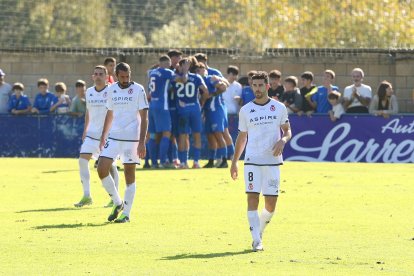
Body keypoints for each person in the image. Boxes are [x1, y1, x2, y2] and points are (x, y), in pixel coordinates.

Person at [230, 71, 291, 252]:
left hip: (272, 161)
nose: (257, 89)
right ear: (251, 87)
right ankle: (256, 240)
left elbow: (287, 131)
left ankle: (260, 230)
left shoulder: (279, 107)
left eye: (260, 85)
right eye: (254, 85)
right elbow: (242, 137)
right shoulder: (246, 110)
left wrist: (283, 140)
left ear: (267, 86)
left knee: (271, 205)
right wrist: (234, 162)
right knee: (252, 198)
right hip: (252, 161)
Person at [97, 62, 149, 223]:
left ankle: (126, 213)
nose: (125, 79)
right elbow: (109, 113)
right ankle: (118, 202)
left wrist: (142, 142)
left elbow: (144, 117)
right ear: (117, 75)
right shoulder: (111, 89)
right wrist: (103, 134)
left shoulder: (139, 90)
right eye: (122, 77)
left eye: (127, 76)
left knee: (129, 175)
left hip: (132, 139)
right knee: (101, 169)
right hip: (113, 137)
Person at [74, 65, 120, 208]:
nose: (98, 76)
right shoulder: (89, 92)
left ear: (106, 76)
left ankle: (115, 198)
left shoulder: (112, 90)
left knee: (111, 166)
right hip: (91, 135)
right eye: (96, 74)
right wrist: (85, 130)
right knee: (82, 161)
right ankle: (87, 196)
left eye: (101, 74)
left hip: (108, 136)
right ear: (92, 76)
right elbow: (88, 112)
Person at [147, 55, 189, 168]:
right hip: (162, 106)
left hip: (152, 106)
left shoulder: (152, 72)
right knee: (166, 133)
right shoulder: (166, 72)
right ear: (167, 63)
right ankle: (163, 162)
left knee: (152, 135)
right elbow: (183, 80)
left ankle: (154, 163)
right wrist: (185, 71)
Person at [175, 59, 209, 168]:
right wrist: (201, 102)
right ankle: (194, 161)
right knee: (193, 135)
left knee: (184, 136)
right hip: (194, 108)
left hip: (183, 108)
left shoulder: (174, 77)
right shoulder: (196, 77)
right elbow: (206, 91)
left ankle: (186, 162)